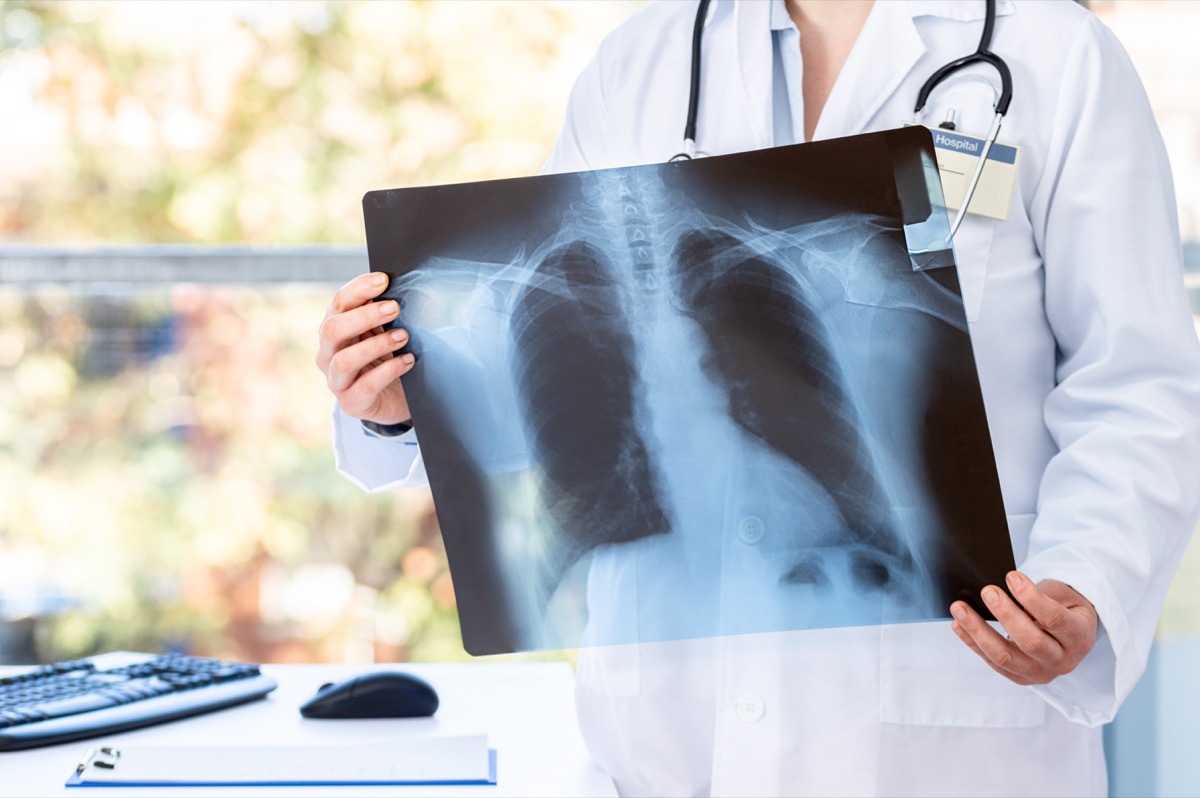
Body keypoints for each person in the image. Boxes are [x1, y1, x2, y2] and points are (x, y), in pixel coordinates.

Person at [316, 0, 1200, 795]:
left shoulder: (1059, 59)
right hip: (666, 740)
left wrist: (1088, 578)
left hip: (951, 734)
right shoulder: (640, 64)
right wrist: (391, 402)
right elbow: (562, 360)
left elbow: (1136, 382)